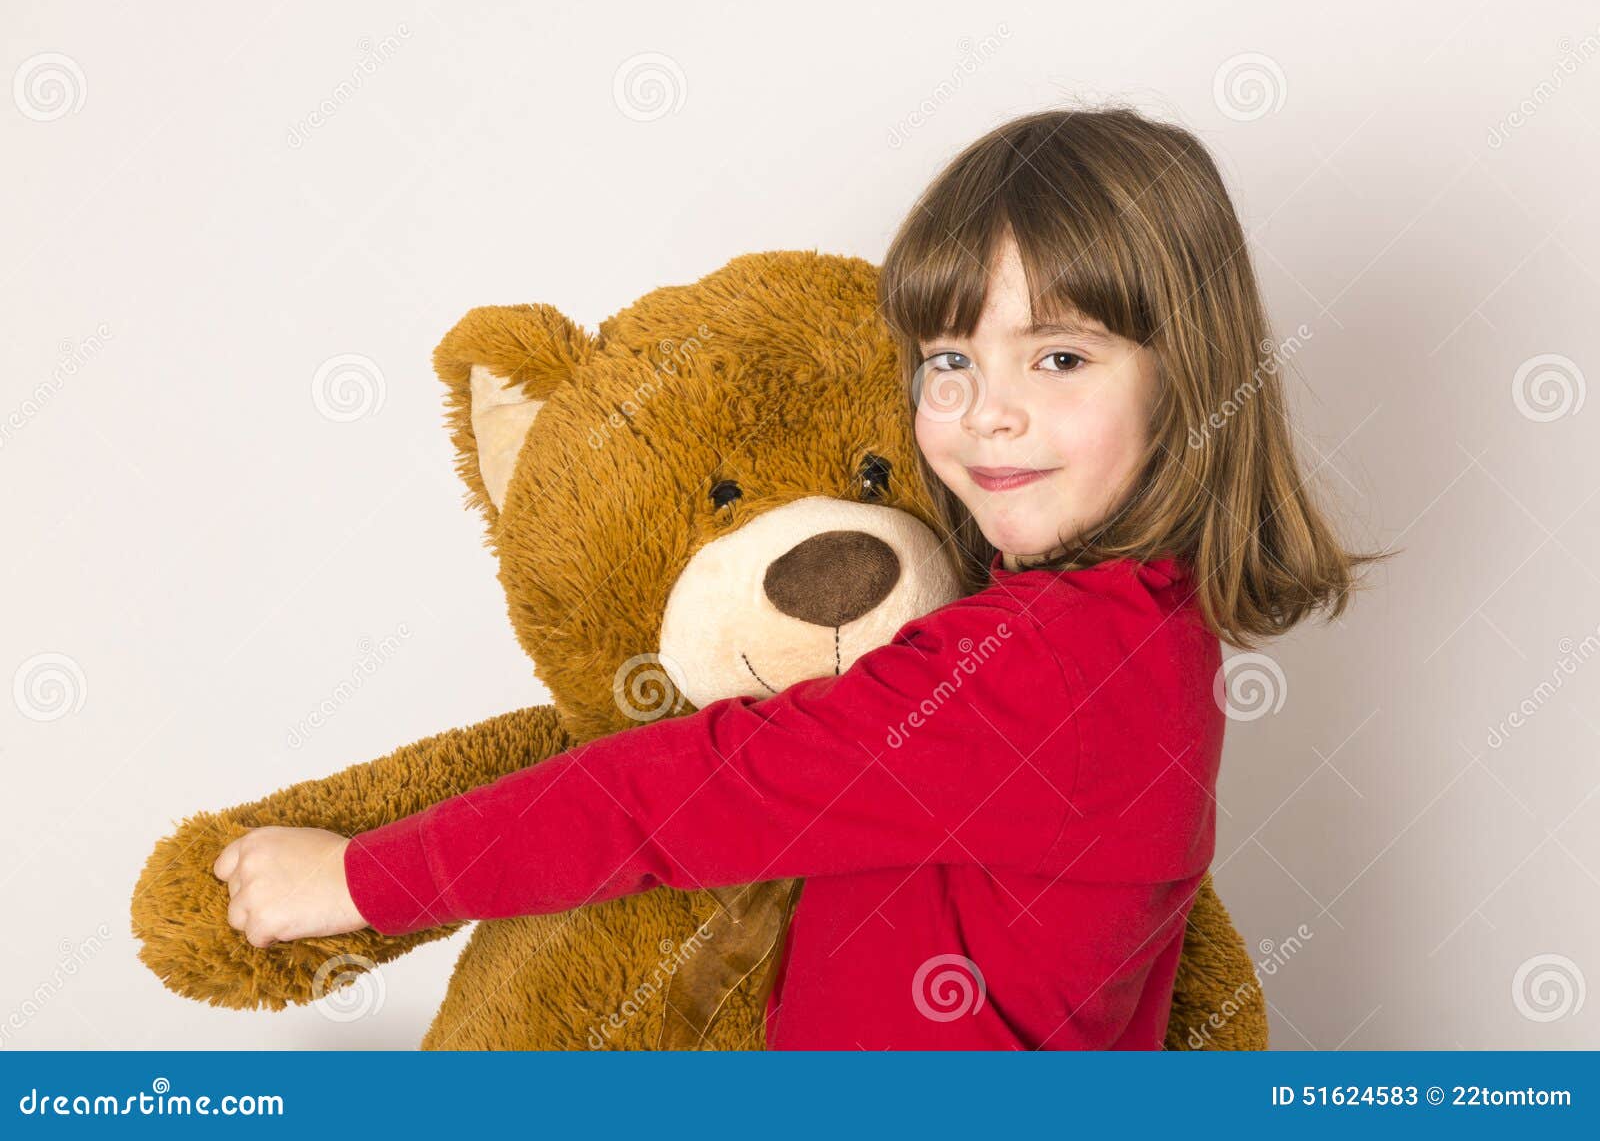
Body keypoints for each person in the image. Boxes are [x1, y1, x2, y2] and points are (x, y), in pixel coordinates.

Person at [211, 105, 1375, 1049]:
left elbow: (684, 792)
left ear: (1191, 377)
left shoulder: (1045, 667)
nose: (988, 412)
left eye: (1059, 356)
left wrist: (360, 881)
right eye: (948, 360)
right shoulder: (1138, 626)